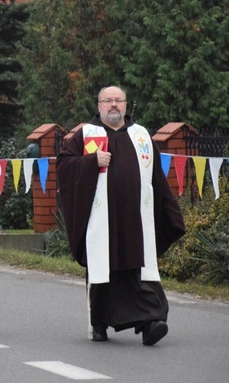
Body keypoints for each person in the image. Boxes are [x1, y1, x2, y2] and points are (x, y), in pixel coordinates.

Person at [56, 85, 186, 346]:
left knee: (141, 269)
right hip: (100, 220)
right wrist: (92, 162)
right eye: (108, 101)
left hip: (137, 219)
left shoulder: (141, 136)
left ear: (126, 105)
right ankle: (100, 323)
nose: (113, 105)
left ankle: (151, 322)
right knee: (103, 269)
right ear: (99, 105)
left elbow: (156, 178)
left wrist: (170, 210)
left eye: (118, 101)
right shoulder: (85, 135)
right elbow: (63, 166)